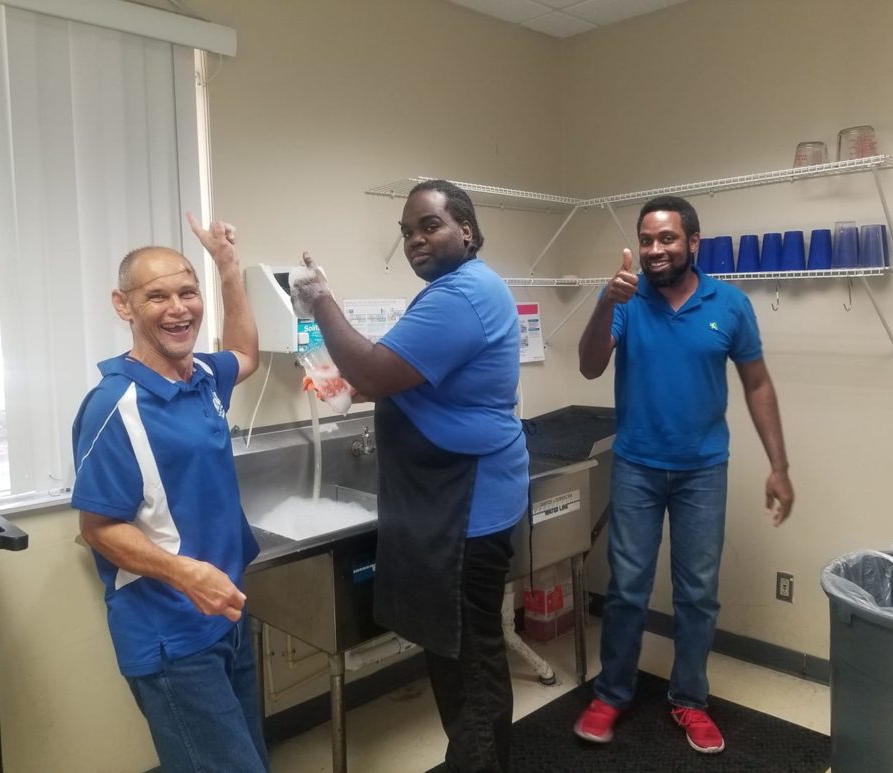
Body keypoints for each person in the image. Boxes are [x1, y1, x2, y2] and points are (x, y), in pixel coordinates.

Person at [288, 180, 528, 773]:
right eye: (406, 232)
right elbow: (387, 376)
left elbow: (372, 369)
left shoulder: (461, 295)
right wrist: (351, 378)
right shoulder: (460, 290)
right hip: (458, 498)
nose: (415, 239)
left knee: (467, 662)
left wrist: (321, 301)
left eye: (430, 225)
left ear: (466, 230)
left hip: (464, 504)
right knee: (465, 657)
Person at [574, 195, 794, 754]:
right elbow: (590, 364)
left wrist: (779, 465)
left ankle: (690, 700)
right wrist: (604, 302)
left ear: (693, 243)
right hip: (637, 468)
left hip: (702, 472)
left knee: (697, 594)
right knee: (626, 589)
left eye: (667, 239)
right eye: (646, 239)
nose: (655, 250)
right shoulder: (626, 299)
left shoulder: (730, 304)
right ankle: (612, 693)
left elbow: (757, 384)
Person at [71, 214, 267, 772]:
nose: (178, 308)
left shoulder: (202, 375)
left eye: (188, 292)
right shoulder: (115, 406)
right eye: (157, 296)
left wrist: (228, 267)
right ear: (123, 305)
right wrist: (187, 575)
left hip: (225, 613)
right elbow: (98, 529)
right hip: (171, 634)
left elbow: (245, 353)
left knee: (251, 758)